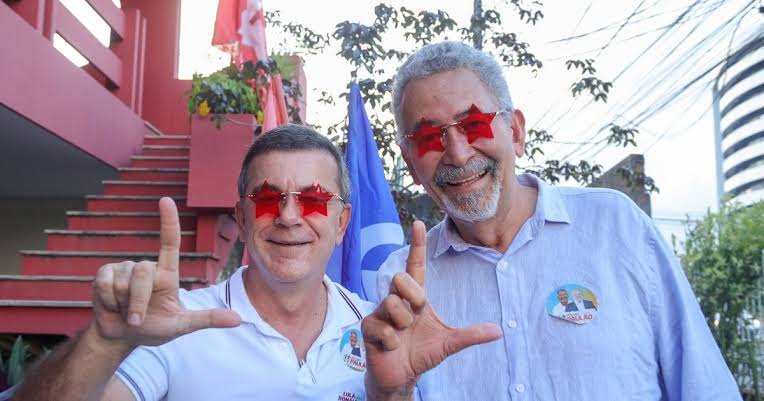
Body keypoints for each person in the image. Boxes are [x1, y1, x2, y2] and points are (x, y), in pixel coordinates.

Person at [361, 41, 741, 401]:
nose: (458, 154)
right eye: (429, 137)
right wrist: (392, 392)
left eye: (474, 124)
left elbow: (705, 386)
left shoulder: (617, 228)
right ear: (410, 164)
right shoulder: (402, 285)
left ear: (516, 132)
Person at [13, 125, 375, 401]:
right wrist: (104, 342)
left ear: (341, 223)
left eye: (313, 199)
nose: (289, 216)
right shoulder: (174, 325)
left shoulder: (377, 328)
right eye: (267, 198)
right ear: (242, 220)